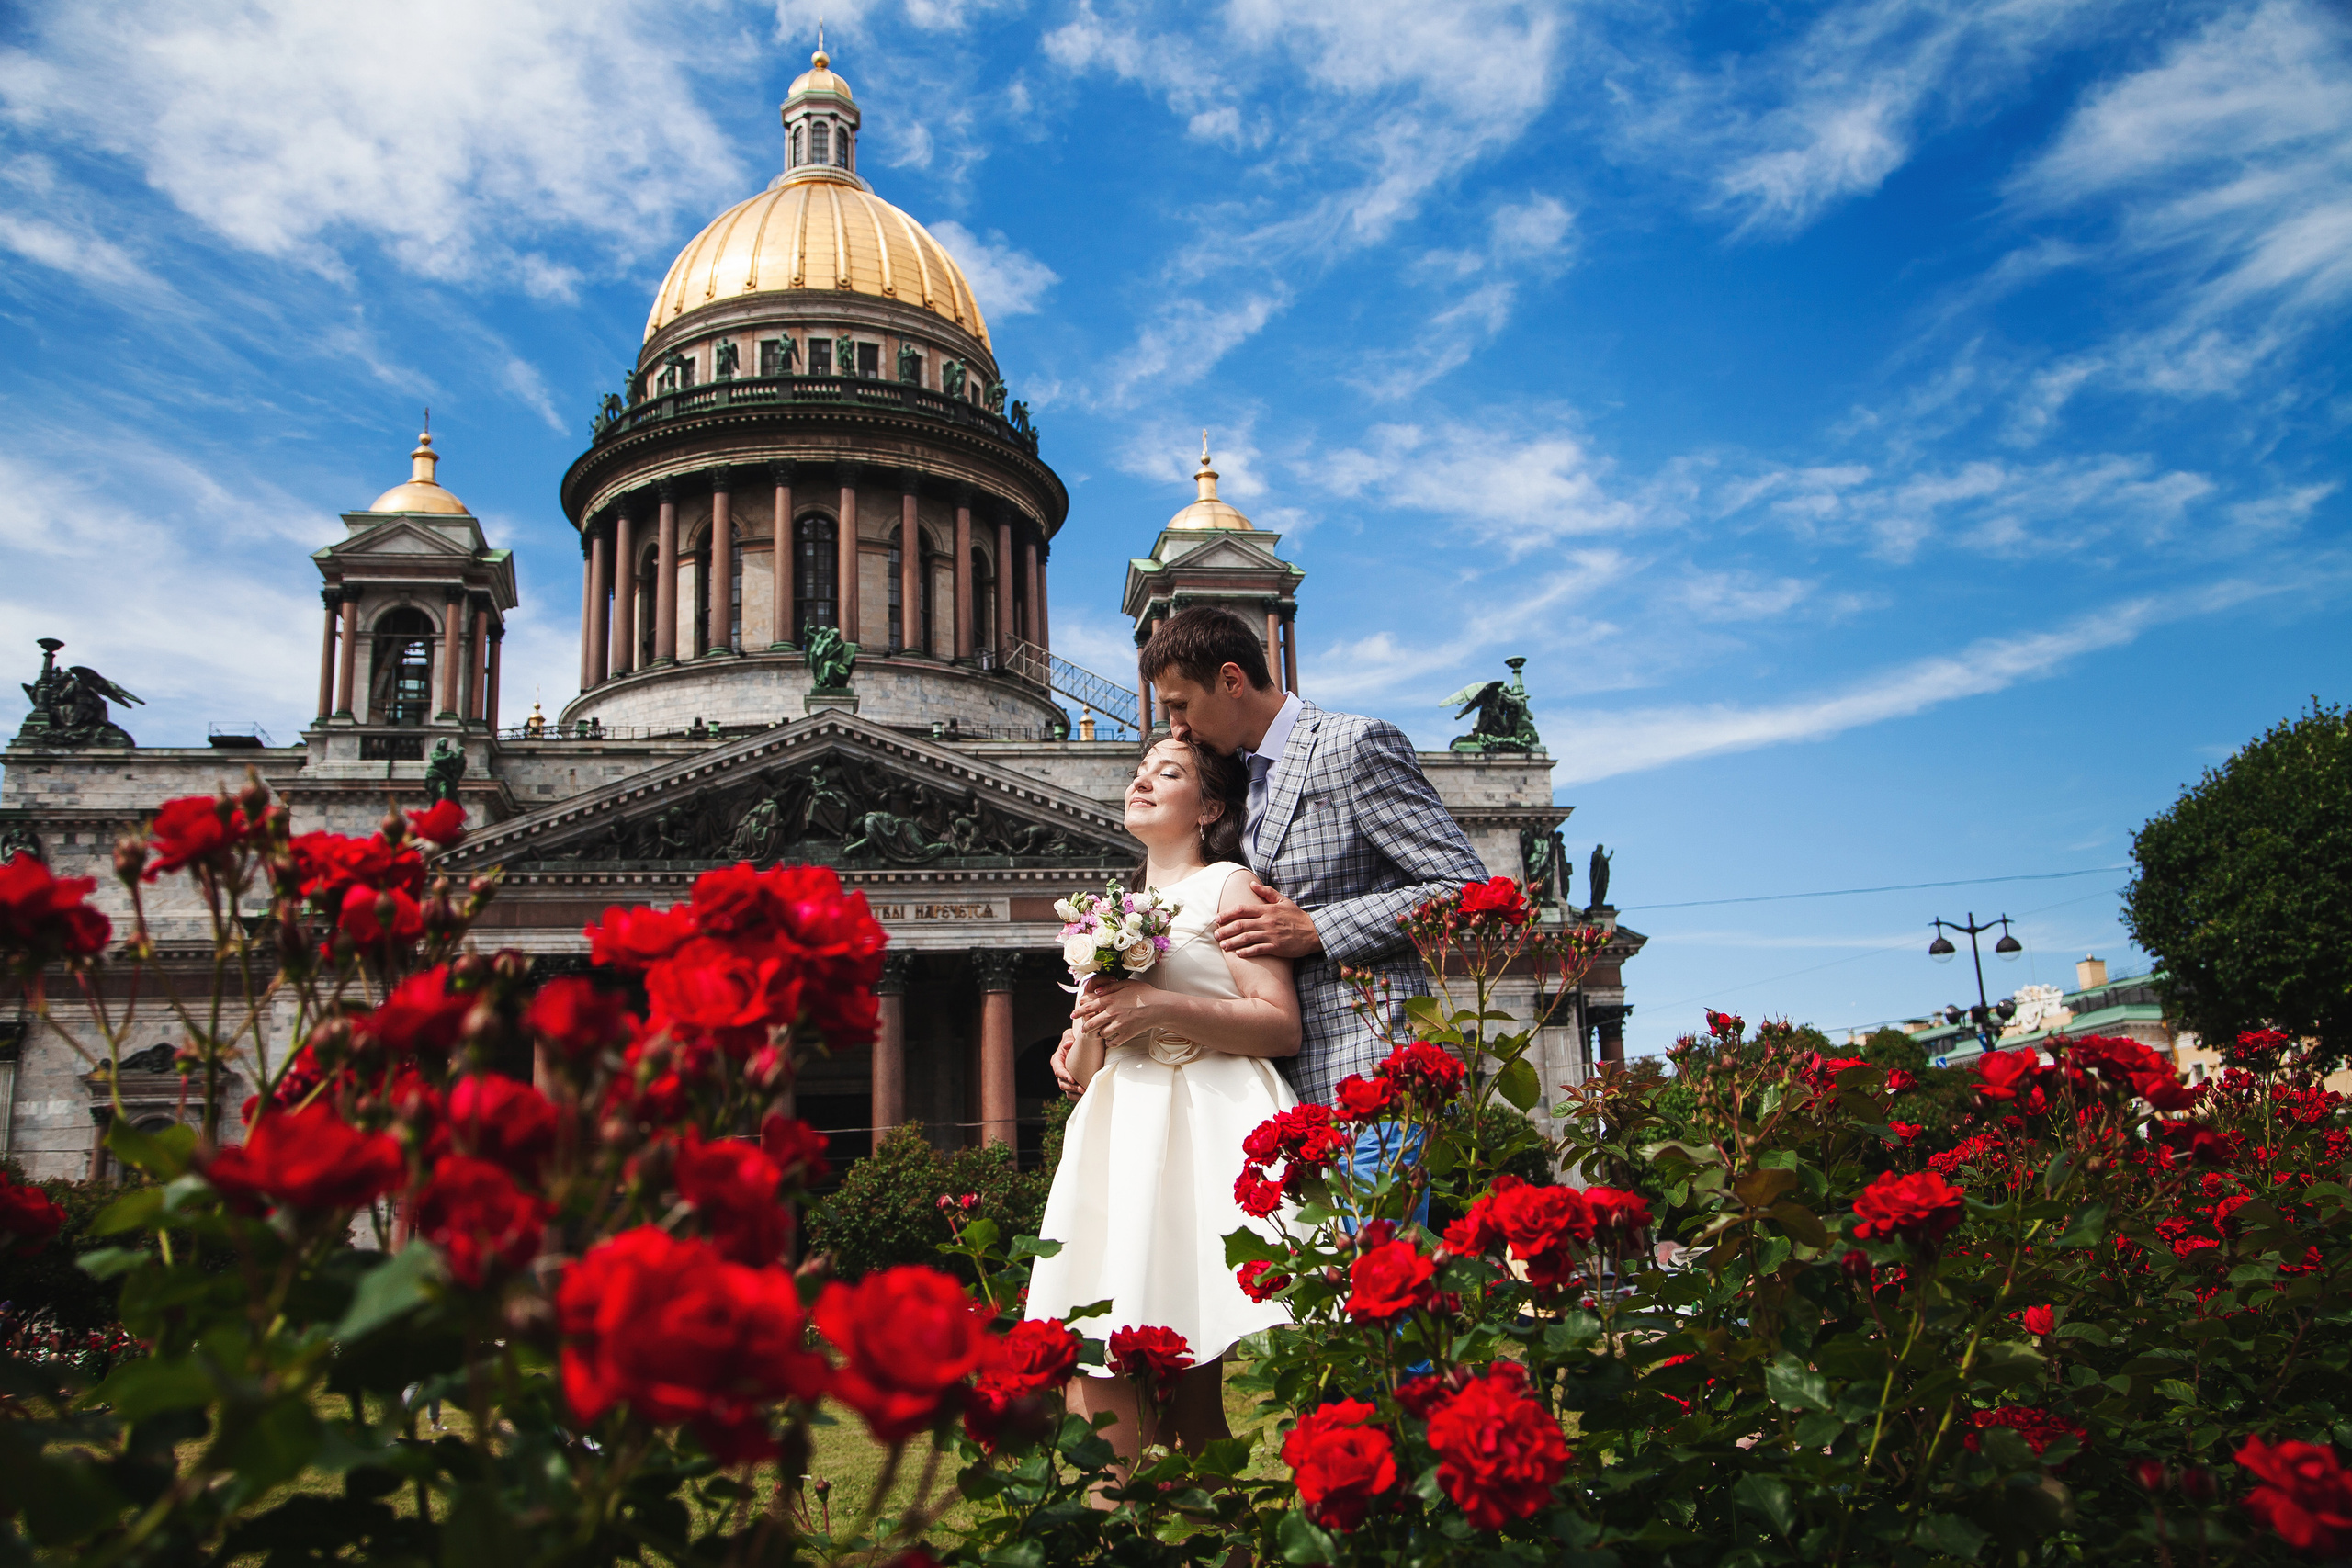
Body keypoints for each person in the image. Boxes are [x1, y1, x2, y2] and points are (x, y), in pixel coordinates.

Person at [1054, 605, 1487, 1171]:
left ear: (1231, 680)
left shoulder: (1351, 745)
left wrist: (1317, 929)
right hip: (1268, 1096)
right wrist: (1093, 1029)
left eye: (1181, 705)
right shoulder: (1232, 784)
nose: (1177, 727)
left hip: (1367, 1064)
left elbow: (1466, 885)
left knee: (1379, 1256)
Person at [1025, 734, 1302, 1483]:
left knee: (1179, 1406)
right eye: (1140, 770)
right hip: (1117, 1142)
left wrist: (1156, 1005)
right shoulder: (1111, 910)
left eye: (1168, 772)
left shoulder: (1228, 887)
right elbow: (1087, 1070)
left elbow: (1279, 1023)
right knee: (1104, 1384)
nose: (1143, 780)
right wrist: (1081, 1037)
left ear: (1209, 806)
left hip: (1192, 1141)